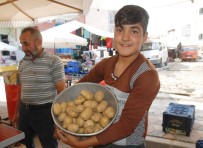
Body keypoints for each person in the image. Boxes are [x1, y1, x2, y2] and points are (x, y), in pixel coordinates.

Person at [56, 5, 160, 148]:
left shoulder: (147, 75)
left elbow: (126, 125)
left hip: (128, 144)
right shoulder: (106, 64)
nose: (125, 37)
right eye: (120, 29)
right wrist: (63, 119)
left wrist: (82, 144)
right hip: (99, 139)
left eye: (134, 31)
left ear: (144, 37)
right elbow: (79, 88)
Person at [12, 27, 66, 148]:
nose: (23, 48)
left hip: (45, 113)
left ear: (38, 42)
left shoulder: (54, 61)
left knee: (49, 145)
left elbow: (62, 93)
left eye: (26, 44)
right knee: (25, 144)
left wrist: (59, 123)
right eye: (22, 44)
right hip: (24, 112)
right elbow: (20, 89)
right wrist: (17, 112)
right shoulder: (22, 62)